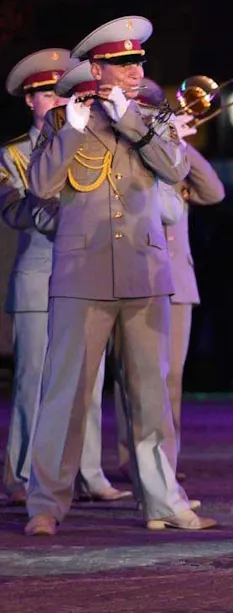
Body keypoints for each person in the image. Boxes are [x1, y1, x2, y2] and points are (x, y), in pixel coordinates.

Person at [25, 16, 214, 535]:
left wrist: (130, 117)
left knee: (150, 397)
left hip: (145, 274)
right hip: (81, 276)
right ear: (98, 67)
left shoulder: (150, 119)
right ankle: (46, 502)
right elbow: (40, 186)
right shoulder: (64, 125)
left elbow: (177, 170)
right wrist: (76, 131)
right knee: (66, 395)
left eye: (139, 63)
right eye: (125, 63)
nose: (136, 71)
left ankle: (162, 500)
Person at [0, 50, 130, 505]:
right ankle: (21, 474)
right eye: (43, 94)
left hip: (81, 273)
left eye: (61, 91)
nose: (55, 100)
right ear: (28, 101)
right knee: (34, 383)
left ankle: (88, 473)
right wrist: (70, 214)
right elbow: (17, 210)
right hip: (39, 278)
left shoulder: (87, 137)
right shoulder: (12, 153)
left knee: (89, 382)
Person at [112, 77, 226, 483]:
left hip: (177, 281)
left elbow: (214, 192)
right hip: (133, 274)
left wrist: (178, 140)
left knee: (170, 380)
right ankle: (131, 463)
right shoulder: (121, 150)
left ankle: (165, 467)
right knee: (132, 376)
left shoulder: (174, 150)